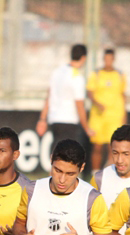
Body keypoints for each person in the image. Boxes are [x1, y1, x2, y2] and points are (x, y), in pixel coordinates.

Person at [36, 44, 93, 174]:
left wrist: (42, 119)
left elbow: (49, 96)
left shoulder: (58, 72)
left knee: (57, 153)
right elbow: (80, 106)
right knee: (68, 158)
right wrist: (86, 127)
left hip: (55, 119)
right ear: (83, 58)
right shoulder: (77, 77)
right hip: (69, 120)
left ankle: (54, 180)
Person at [87, 49, 127, 172]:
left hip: (114, 116)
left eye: (110, 59)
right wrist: (97, 103)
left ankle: (110, 174)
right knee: (97, 146)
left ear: (113, 59)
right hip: (98, 116)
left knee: (112, 147)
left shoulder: (120, 75)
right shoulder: (97, 74)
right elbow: (90, 92)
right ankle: (95, 174)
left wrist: (124, 115)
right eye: (106, 59)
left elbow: (123, 95)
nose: (108, 62)